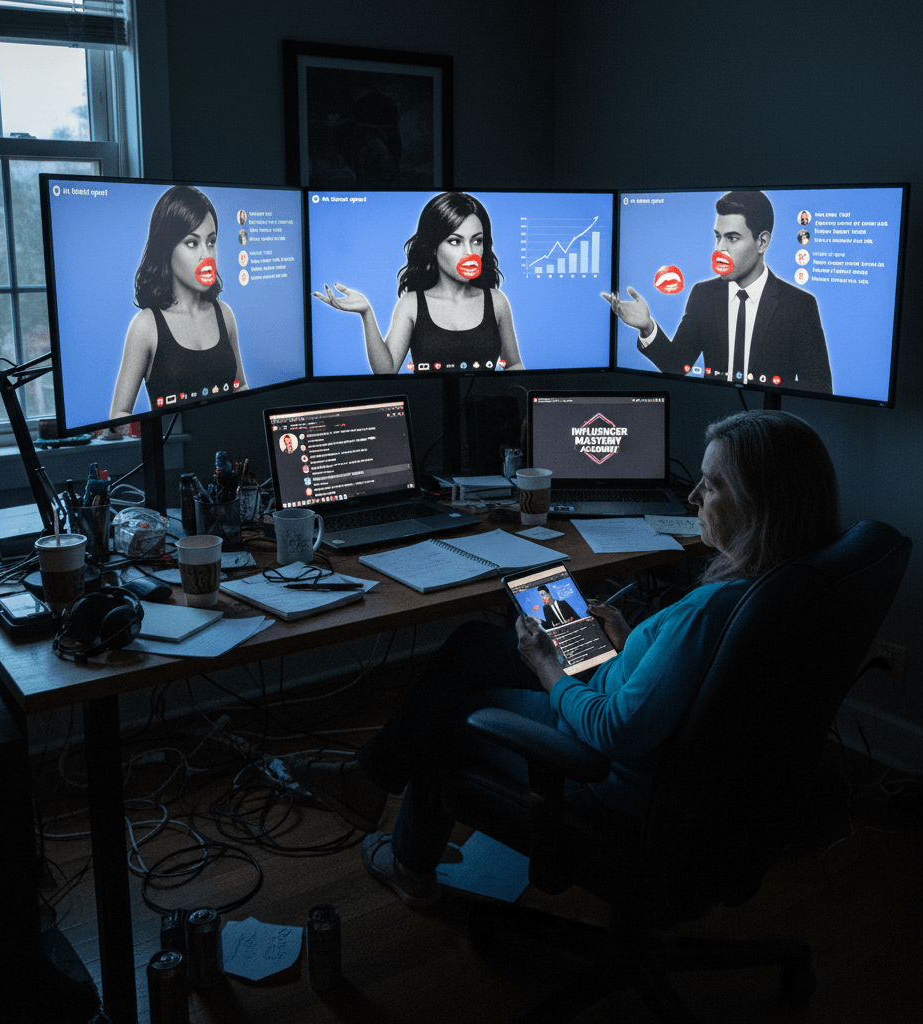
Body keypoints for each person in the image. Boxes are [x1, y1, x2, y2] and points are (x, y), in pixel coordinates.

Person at [291, 409, 841, 908]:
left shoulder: (710, 611)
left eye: (713, 485)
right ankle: (365, 780)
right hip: (657, 732)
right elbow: (690, 688)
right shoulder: (793, 587)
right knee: (469, 647)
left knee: (455, 710)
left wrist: (546, 666)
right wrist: (628, 642)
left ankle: (407, 865)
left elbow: (615, 731)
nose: (693, 497)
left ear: (761, 503)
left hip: (610, 773)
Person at [603, 191, 833, 394]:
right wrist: (647, 327)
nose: (719, 249)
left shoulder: (799, 304)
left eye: (732, 238)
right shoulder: (703, 295)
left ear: (762, 242)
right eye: (718, 236)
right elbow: (677, 365)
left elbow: (819, 386)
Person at [313, 191, 525, 374]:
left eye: (476, 241)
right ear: (434, 247)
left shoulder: (497, 301)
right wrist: (366, 313)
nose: (469, 253)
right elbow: (387, 370)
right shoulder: (411, 304)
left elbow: (513, 364)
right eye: (455, 241)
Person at [111, 186, 247, 419]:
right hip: (175, 452)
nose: (207, 255)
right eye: (192, 243)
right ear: (166, 248)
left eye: (211, 242)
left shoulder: (224, 314)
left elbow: (240, 387)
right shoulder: (146, 326)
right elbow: (120, 413)